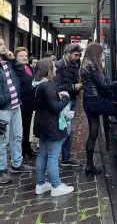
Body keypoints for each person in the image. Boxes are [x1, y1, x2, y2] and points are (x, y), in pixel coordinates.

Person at [33, 57, 74, 197]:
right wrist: (65, 98)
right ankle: (56, 185)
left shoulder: (38, 85)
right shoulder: (48, 86)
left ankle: (41, 184)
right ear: (48, 69)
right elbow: (55, 107)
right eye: (53, 67)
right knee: (53, 155)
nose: (56, 69)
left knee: (43, 154)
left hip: (41, 123)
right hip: (51, 124)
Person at [81, 42, 117, 176]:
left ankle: (89, 165)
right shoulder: (92, 65)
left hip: (87, 102)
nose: (102, 55)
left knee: (93, 133)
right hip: (96, 101)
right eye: (101, 53)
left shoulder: (85, 63)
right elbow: (104, 84)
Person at [0, 37, 34, 185]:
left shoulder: (8, 62)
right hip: (3, 108)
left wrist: (14, 60)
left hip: (15, 105)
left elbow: (24, 77)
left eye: (3, 43)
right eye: (0, 44)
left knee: (17, 136)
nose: (3, 46)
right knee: (2, 141)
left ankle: (16, 164)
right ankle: (1, 171)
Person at [55, 44, 83, 167]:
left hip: (71, 98)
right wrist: (73, 87)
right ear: (68, 52)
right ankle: (55, 156)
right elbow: (57, 85)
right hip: (64, 100)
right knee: (66, 129)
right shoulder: (59, 65)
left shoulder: (74, 64)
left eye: (78, 55)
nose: (77, 58)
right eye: (75, 55)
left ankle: (66, 157)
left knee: (70, 130)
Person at [14, 47, 36, 158]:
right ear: (16, 58)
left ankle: (28, 148)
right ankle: (22, 151)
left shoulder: (28, 67)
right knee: (21, 128)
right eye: (21, 56)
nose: (24, 58)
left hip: (30, 101)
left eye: (25, 56)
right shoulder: (16, 70)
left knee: (28, 126)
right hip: (21, 102)